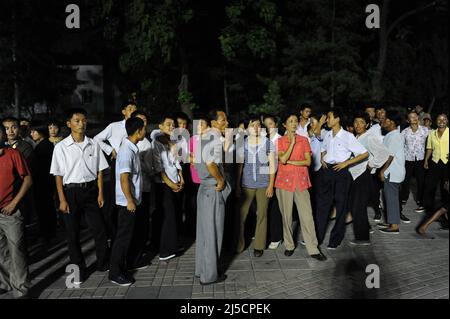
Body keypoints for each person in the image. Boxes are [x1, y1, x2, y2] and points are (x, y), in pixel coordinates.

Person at [50, 108, 110, 283]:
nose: (81, 123)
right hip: (70, 192)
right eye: (77, 120)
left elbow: (100, 171)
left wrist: (100, 193)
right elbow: (58, 176)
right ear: (69, 124)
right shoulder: (61, 147)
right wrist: (61, 199)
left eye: (84, 120)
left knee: (99, 229)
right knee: (72, 233)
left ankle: (103, 263)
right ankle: (78, 270)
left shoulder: (93, 144)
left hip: (91, 191)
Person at [275, 112, 326, 260]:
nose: (293, 123)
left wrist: (290, 162)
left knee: (307, 216)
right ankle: (289, 245)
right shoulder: (280, 141)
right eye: (290, 121)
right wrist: (291, 143)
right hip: (284, 182)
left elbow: (307, 162)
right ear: (284, 124)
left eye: (295, 121)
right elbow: (282, 158)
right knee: (286, 216)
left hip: (301, 181)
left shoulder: (304, 140)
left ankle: (313, 249)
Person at [316, 109, 368, 249]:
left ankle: (335, 240)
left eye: (329, 117)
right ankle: (317, 238)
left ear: (337, 119)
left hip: (341, 173)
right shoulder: (327, 134)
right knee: (322, 206)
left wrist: (346, 163)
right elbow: (323, 148)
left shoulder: (347, 136)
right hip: (326, 171)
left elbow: (364, 153)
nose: (327, 120)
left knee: (341, 206)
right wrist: (322, 158)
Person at [194, 109, 231, 285]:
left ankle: (202, 269)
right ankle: (209, 276)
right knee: (213, 232)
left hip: (203, 189)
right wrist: (221, 180)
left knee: (203, 232)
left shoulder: (204, 136)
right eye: (223, 120)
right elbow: (210, 163)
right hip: (212, 188)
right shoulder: (214, 138)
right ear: (214, 123)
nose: (226, 123)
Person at [109, 117, 147, 286]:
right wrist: (130, 200)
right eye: (144, 128)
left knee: (128, 236)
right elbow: (124, 178)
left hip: (132, 201)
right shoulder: (126, 151)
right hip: (127, 203)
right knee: (122, 238)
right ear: (138, 131)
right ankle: (115, 273)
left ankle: (123, 267)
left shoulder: (131, 148)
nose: (145, 131)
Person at [0, 124, 33, 299]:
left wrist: (14, 203)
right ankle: (4, 284)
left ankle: (21, 290)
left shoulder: (13, 154)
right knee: (1, 252)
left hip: (10, 212)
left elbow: (27, 180)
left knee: (17, 252)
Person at [236, 118, 276, 257]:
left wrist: (271, 185)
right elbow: (240, 166)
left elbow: (272, 166)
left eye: (258, 125)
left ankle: (259, 245)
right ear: (248, 129)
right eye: (253, 125)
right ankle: (239, 243)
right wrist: (238, 185)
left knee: (262, 214)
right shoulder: (243, 144)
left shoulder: (268, 143)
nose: (256, 127)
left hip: (263, 184)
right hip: (247, 184)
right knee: (242, 214)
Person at [349, 112, 389, 245]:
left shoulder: (369, 137)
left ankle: (362, 238)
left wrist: (372, 165)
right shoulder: (356, 137)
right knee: (357, 206)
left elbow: (384, 153)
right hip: (354, 175)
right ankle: (363, 233)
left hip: (363, 175)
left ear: (367, 124)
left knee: (358, 207)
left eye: (361, 122)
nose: (357, 125)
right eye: (355, 122)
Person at [152, 114, 184, 261]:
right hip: (165, 185)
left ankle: (174, 245)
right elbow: (158, 167)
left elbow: (177, 162)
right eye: (168, 124)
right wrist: (170, 183)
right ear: (160, 126)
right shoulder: (156, 142)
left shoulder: (173, 141)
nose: (172, 127)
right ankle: (165, 251)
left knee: (176, 215)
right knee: (168, 217)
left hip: (176, 181)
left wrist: (181, 178)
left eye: (173, 125)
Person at [129, 110, 153, 265]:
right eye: (140, 121)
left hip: (143, 188)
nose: (143, 124)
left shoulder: (146, 143)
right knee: (135, 224)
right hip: (132, 191)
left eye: (145, 120)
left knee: (142, 222)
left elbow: (149, 168)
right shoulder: (129, 145)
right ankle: (133, 257)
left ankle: (138, 253)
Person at [2, 117, 36, 227]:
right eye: (6, 128)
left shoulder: (25, 147)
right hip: (5, 195)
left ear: (19, 129)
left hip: (19, 192)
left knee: (20, 226)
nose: (10, 131)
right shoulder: (3, 147)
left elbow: (26, 174)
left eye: (14, 127)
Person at [378, 110, 407, 234]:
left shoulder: (395, 136)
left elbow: (390, 156)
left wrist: (383, 171)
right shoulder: (391, 134)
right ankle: (391, 221)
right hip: (392, 170)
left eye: (385, 119)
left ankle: (394, 226)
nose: (383, 121)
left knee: (391, 198)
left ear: (392, 122)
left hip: (393, 171)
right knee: (389, 197)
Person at [30, 123, 57, 244]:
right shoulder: (42, 145)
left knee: (44, 209)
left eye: (34, 131)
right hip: (44, 182)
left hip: (44, 182)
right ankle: (48, 232)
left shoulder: (44, 146)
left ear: (40, 132)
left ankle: (47, 234)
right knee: (46, 208)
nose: (32, 134)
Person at [400, 110, 429, 213]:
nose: (414, 118)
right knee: (405, 180)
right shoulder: (404, 132)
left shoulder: (425, 130)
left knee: (421, 181)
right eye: (411, 117)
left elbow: (432, 141)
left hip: (420, 159)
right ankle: (404, 198)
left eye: (415, 116)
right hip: (408, 159)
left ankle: (421, 200)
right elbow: (400, 146)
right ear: (408, 120)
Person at [263, 115, 283, 249]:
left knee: (275, 207)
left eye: (270, 124)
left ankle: (276, 237)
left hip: (277, 175)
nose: (267, 127)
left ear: (276, 124)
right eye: (265, 124)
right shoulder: (264, 140)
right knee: (266, 207)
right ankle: (267, 234)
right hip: (264, 175)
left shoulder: (280, 140)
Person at [423, 114, 449, 216]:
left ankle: (445, 211)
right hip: (434, 162)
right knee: (430, 186)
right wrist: (426, 160)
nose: (441, 121)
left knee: (445, 189)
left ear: (447, 121)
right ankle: (430, 210)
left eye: (444, 119)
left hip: (447, 163)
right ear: (436, 121)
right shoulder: (432, 133)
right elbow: (429, 148)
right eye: (439, 119)